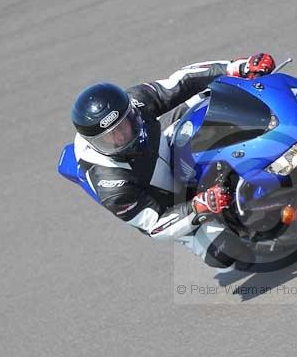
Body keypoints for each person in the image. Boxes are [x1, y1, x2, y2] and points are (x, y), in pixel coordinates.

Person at [70, 53, 276, 272]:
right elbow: (155, 226)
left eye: (123, 126)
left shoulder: (135, 101)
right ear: (94, 144)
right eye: (109, 139)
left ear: (131, 112)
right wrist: (198, 206)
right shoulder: (113, 187)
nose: (121, 138)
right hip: (167, 201)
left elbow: (181, 81)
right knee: (227, 256)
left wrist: (236, 68)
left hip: (163, 143)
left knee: (215, 97)